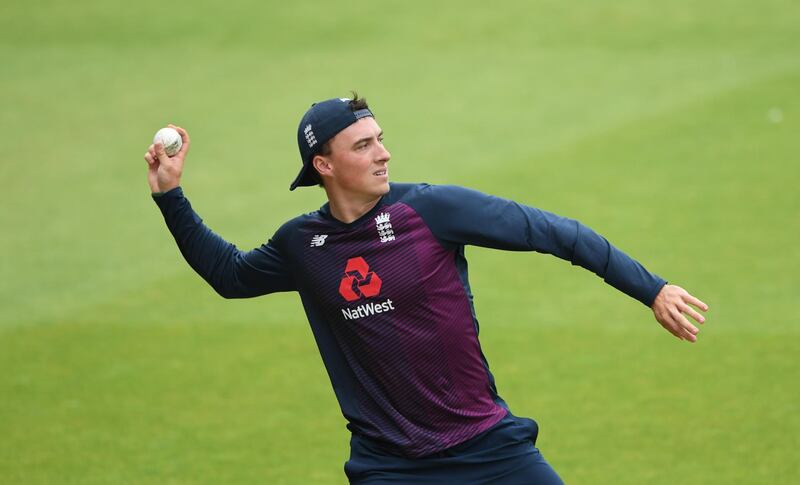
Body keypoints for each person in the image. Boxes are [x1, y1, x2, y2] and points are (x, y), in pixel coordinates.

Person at [144, 95, 708, 484]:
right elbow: (229, 276)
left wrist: (651, 290)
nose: (383, 152)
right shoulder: (303, 244)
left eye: (380, 140)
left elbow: (554, 233)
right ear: (324, 164)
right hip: (390, 468)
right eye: (362, 146)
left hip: (489, 448)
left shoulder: (431, 210)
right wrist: (171, 196)